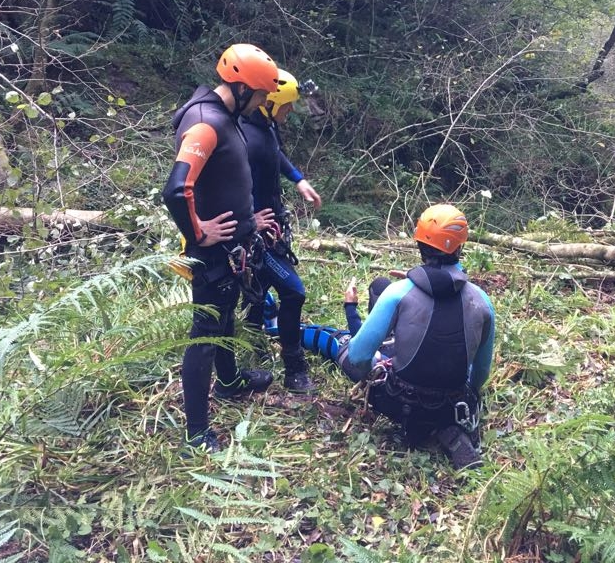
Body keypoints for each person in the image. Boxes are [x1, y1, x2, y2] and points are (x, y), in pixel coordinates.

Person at [301, 204, 496, 470]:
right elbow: (481, 374)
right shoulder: (482, 301)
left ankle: (293, 332)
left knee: (344, 345)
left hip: (398, 401)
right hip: (453, 403)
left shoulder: (397, 293)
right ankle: (445, 427)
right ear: (460, 246)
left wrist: (380, 362)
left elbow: (359, 357)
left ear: (419, 243)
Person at [162, 43, 282, 454]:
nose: (265, 102)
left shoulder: (226, 116)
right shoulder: (205, 123)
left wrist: (250, 222)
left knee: (226, 315)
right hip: (212, 252)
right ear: (243, 87)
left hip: (234, 247)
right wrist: (198, 233)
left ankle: (229, 383)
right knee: (205, 334)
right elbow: (177, 189)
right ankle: (197, 433)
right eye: (263, 94)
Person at [240, 69, 322, 392]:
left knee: (257, 293)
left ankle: (253, 348)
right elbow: (229, 184)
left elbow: (274, 154)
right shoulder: (247, 138)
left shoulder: (266, 125)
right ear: (269, 103)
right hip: (257, 236)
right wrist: (249, 221)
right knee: (293, 291)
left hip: (270, 229)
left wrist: (299, 179)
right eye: (287, 106)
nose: (290, 112)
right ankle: (294, 367)